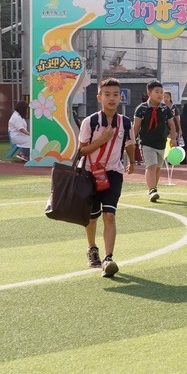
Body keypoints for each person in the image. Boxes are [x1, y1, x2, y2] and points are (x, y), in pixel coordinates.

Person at [78, 78, 135, 277]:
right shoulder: (90, 122)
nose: (112, 98)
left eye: (116, 95)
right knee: (92, 217)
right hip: (90, 173)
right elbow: (82, 151)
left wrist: (132, 162)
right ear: (99, 97)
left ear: (121, 97)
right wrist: (103, 140)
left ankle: (108, 258)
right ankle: (92, 248)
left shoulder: (125, 123)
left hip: (113, 173)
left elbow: (130, 144)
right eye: (107, 94)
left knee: (109, 214)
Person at [133, 80, 178, 202]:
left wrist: (173, 138)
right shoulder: (141, 109)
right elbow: (136, 127)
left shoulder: (165, 109)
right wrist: (131, 141)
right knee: (151, 166)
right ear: (149, 93)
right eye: (157, 92)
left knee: (158, 168)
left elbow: (171, 124)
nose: (160, 95)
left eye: (161, 92)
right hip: (146, 143)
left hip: (161, 143)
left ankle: (153, 188)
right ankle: (152, 190)